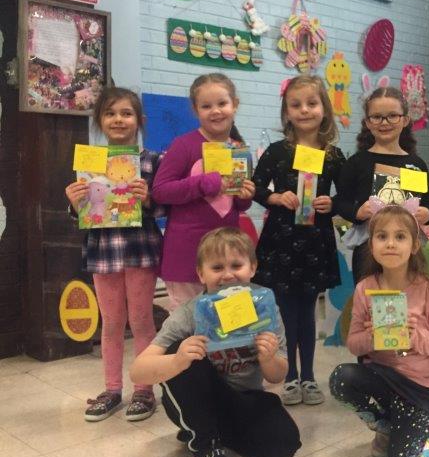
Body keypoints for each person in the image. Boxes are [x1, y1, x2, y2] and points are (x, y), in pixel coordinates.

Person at [130, 227, 301, 457]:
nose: (228, 275)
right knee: (180, 348)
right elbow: (138, 371)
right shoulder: (190, 313)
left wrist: (268, 358)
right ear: (201, 273)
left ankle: (213, 430)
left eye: (236, 265)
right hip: (198, 399)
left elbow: (277, 376)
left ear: (253, 268)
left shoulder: (265, 308)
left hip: (244, 399)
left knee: (284, 444)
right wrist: (177, 361)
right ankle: (205, 444)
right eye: (217, 267)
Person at [329, 204, 429, 457]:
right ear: (371, 244)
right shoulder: (365, 288)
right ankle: (387, 426)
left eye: (400, 236)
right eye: (382, 236)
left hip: (422, 390)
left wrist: (416, 335)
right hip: (385, 380)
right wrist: (372, 337)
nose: (391, 244)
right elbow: (354, 345)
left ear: (414, 245)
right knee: (341, 378)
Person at [65, 87, 163, 422]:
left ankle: (144, 390)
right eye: (110, 113)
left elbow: (163, 208)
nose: (118, 119)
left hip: (140, 250)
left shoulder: (152, 161)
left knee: (142, 321)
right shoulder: (90, 162)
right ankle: (111, 390)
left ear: (139, 120)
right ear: (99, 120)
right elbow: (82, 214)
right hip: (103, 251)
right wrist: (74, 202)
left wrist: (148, 199)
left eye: (126, 113)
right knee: (111, 323)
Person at [252, 75, 345, 406]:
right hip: (281, 241)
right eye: (296, 105)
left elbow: (348, 196)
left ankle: (309, 377)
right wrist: (276, 198)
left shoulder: (333, 156)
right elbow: (255, 187)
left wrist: (332, 203)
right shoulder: (277, 152)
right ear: (286, 112)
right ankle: (289, 377)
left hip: (315, 242)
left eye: (312, 103)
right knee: (285, 312)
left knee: (308, 312)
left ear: (325, 109)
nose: (304, 110)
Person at [152, 73, 255, 309]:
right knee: (188, 325)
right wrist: (206, 183)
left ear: (235, 104)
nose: (215, 111)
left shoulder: (239, 150)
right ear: (195, 110)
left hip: (226, 259)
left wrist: (245, 198)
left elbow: (234, 203)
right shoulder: (183, 145)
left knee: (225, 321)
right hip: (186, 257)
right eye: (206, 106)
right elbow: (160, 191)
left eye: (222, 103)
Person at [335, 87, 429, 285]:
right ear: (367, 122)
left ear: (405, 120)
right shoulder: (356, 163)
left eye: (392, 116)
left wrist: (427, 213)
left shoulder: (415, 164)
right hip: (368, 249)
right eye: (377, 117)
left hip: (406, 248)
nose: (385, 122)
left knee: (406, 298)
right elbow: (340, 203)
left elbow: (427, 204)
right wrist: (357, 212)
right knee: (369, 298)